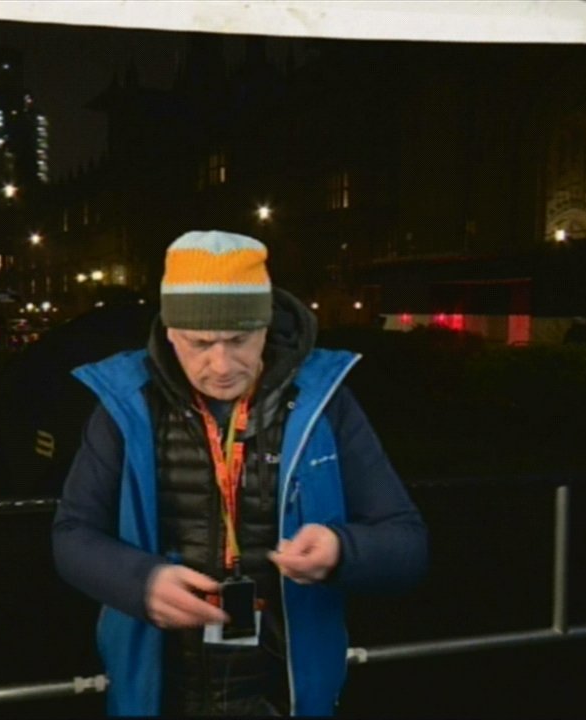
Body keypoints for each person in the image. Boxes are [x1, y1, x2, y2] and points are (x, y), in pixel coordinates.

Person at [52, 230, 428, 716]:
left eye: (239, 340)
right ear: (170, 331)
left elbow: (408, 543)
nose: (222, 365)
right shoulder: (125, 401)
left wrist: (341, 551)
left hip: (285, 697)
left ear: (265, 327)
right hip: (159, 695)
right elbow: (71, 534)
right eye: (200, 343)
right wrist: (140, 583)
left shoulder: (325, 399)